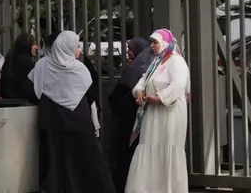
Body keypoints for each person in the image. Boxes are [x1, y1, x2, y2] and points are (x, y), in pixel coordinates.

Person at [29, 30, 115, 193]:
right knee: (84, 160)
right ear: (67, 47)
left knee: (57, 161)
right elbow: (91, 95)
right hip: (78, 122)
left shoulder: (42, 66)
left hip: (53, 121)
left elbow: (34, 91)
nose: (80, 50)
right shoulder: (80, 69)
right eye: (77, 46)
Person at [125, 29, 190, 193]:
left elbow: (178, 84)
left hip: (170, 113)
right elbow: (143, 80)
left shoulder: (176, 61)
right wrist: (139, 91)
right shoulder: (157, 63)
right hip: (153, 113)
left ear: (165, 43)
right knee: (150, 145)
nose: (152, 46)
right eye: (152, 42)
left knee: (167, 146)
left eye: (155, 42)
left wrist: (160, 98)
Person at [108, 37, 151, 193]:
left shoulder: (134, 70)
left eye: (130, 49)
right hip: (144, 121)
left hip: (129, 120)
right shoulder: (149, 67)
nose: (127, 53)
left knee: (126, 156)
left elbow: (116, 97)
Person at [0, 33, 37, 101]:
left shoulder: (9, 61)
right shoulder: (29, 65)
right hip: (27, 106)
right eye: (34, 44)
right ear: (27, 46)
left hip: (8, 104)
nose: (36, 47)